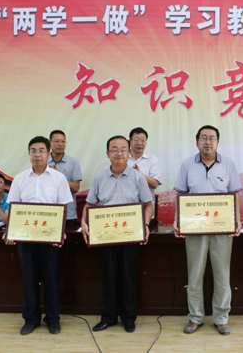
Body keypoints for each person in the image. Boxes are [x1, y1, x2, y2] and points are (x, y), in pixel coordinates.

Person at [173, 125, 243, 336]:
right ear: (197, 142)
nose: (208, 141)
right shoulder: (187, 164)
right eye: (203, 138)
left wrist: (237, 220)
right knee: (195, 274)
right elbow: (180, 195)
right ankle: (195, 317)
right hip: (194, 229)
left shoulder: (228, 164)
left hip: (222, 229)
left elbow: (235, 195)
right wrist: (177, 219)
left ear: (218, 142)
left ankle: (221, 319)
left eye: (212, 138)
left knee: (222, 275)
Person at [81, 135, 154, 333]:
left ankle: (129, 318)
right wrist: (84, 222)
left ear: (129, 153)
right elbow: (89, 204)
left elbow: (148, 205)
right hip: (106, 235)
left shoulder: (138, 177)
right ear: (108, 154)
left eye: (123, 149)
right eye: (114, 149)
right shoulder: (100, 178)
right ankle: (110, 317)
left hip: (131, 235)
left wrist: (145, 225)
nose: (119, 153)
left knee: (129, 276)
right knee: (109, 276)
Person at [6, 136, 73, 336]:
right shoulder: (19, 179)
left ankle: (53, 319)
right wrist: (10, 231)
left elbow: (64, 208)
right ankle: (31, 319)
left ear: (48, 154)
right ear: (29, 154)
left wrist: (60, 233)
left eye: (41, 150)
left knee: (51, 279)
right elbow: (13, 208)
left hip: (50, 238)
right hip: (25, 238)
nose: (37, 154)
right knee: (29, 279)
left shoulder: (58, 178)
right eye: (33, 151)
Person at [127, 127, 162, 224]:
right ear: (130, 140)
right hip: (126, 209)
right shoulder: (122, 158)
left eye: (143, 140)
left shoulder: (152, 159)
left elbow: (154, 184)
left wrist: (138, 174)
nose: (140, 143)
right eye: (136, 140)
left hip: (146, 210)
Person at [48, 130, 83, 227]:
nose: (60, 144)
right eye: (57, 141)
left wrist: (59, 176)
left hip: (68, 214)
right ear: (50, 143)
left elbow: (76, 188)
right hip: (47, 212)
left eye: (63, 141)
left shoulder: (73, 162)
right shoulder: (43, 162)